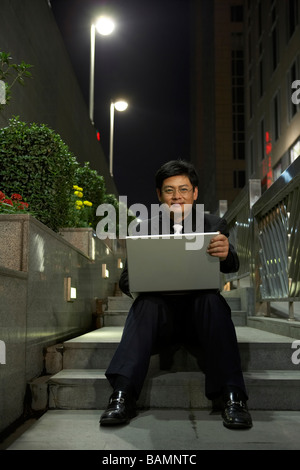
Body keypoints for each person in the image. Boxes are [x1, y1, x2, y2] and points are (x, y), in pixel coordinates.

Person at [99, 160, 252, 429]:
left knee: (212, 300)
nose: (177, 196)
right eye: (169, 190)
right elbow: (125, 280)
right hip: (159, 323)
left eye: (183, 189)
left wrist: (227, 254)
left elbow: (232, 265)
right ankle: (122, 395)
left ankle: (232, 397)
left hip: (201, 321)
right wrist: (145, 278)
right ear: (159, 195)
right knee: (146, 303)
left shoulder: (214, 224)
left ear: (194, 193)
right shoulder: (143, 229)